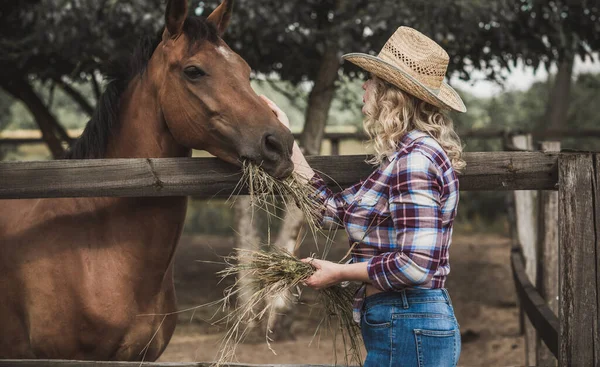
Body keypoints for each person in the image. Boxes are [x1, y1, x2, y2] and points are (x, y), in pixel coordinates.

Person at [262, 26, 466, 367]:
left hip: (409, 321)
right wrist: (288, 141)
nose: (364, 85)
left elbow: (415, 266)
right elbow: (331, 211)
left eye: (371, 79)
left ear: (392, 93)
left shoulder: (415, 161)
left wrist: (339, 273)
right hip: (403, 322)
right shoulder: (402, 157)